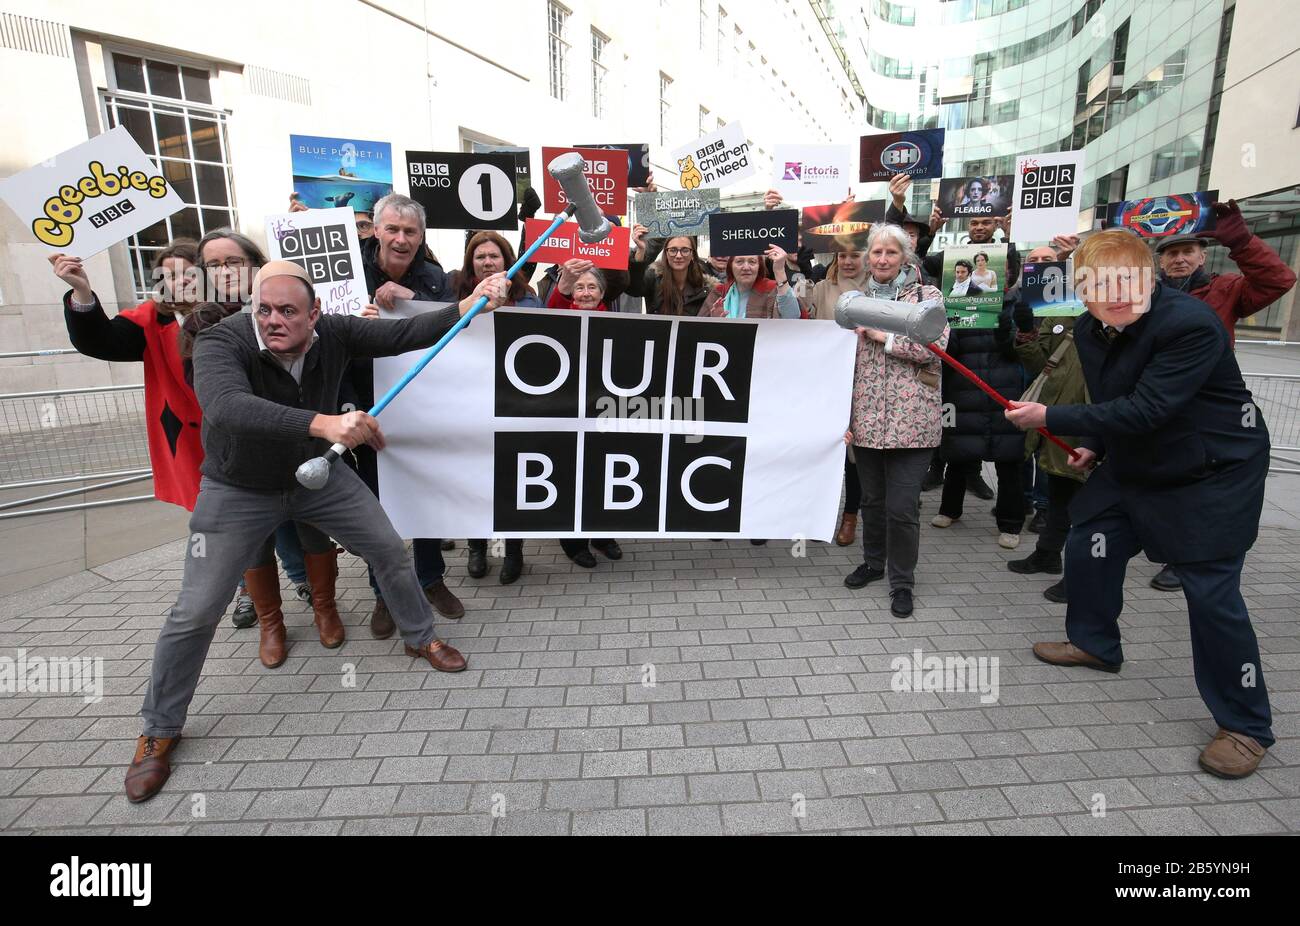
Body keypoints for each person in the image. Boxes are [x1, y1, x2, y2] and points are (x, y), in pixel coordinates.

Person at [124, 261, 490, 803]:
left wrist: (469, 303)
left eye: (288, 312)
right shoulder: (222, 340)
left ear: (315, 315)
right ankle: (159, 728)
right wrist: (324, 424)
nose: (272, 321)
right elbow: (226, 408)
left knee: (389, 549)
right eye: (263, 310)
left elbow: (404, 333)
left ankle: (420, 637)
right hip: (238, 487)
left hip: (320, 477)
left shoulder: (337, 331)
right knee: (196, 608)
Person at [1006, 228, 1274, 780]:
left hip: (1212, 473)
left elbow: (1149, 408)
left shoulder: (1190, 325)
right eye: (1103, 284)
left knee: (1212, 596)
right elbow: (1113, 401)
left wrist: (1052, 419)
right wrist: (1094, 443)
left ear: (1150, 277)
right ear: (1081, 289)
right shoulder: (1088, 329)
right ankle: (1095, 644)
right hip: (1137, 462)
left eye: (1130, 279)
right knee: (1088, 542)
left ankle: (1246, 725)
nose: (1119, 293)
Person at [1145, 199, 1297, 593]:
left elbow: (1278, 281)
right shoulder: (1148, 299)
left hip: (1205, 404)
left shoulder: (1226, 288)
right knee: (1166, 476)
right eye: (1171, 253)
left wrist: (1243, 242)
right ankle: (1167, 543)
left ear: (1202, 255)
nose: (1178, 259)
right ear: (1161, 262)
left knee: (1198, 481)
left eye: (1186, 252)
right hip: (1159, 402)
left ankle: (1186, 557)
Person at [345, 193, 467, 638]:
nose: (400, 239)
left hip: (417, 405)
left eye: (410, 232)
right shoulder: (346, 268)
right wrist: (357, 323)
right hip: (361, 404)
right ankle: (385, 592)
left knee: (424, 496)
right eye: (392, 229)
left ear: (421, 237)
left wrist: (411, 297)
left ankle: (430, 579)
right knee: (377, 508)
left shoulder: (433, 277)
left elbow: (448, 330)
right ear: (375, 230)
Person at [842, 224, 948, 618]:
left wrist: (881, 337)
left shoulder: (926, 297)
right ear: (868, 258)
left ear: (905, 257)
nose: (882, 259)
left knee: (902, 507)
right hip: (867, 418)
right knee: (872, 501)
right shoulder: (854, 300)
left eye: (890, 253)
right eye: (876, 253)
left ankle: (902, 582)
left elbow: (937, 346)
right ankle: (873, 562)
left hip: (912, 422)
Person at [450, 231, 541, 585]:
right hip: (470, 404)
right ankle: (477, 546)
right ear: (470, 262)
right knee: (474, 478)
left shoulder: (527, 299)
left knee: (509, 479)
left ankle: (511, 549)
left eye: (495, 256)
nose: (488, 262)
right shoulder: (456, 297)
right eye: (480, 257)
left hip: (512, 404)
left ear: (507, 260)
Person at [1006, 245, 1088, 603]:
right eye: (1034, 261)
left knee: (1088, 503)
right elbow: (1042, 363)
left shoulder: (1113, 310)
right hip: (1055, 412)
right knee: (1059, 490)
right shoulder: (1058, 305)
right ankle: (1048, 553)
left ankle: (1082, 576)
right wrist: (1025, 331)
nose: (1041, 266)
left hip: (1091, 417)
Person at [931, 248, 1027, 549]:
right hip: (963, 386)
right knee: (959, 451)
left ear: (1009, 271)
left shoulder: (1019, 303)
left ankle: (1011, 523)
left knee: (1009, 459)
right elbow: (948, 350)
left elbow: (1026, 353)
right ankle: (949, 509)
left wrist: (1009, 336)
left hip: (1005, 390)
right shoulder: (954, 299)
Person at [540, 263, 625, 564]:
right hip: (567, 410)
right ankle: (573, 542)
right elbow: (550, 315)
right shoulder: (560, 315)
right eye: (580, 287)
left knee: (601, 473)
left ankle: (602, 534)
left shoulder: (617, 324)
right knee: (570, 474)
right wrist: (566, 282)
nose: (586, 292)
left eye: (592, 287)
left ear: (603, 292)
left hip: (603, 413)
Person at [810, 241, 870, 545]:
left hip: (866, 380)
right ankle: (818, 515)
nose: (848, 261)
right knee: (826, 446)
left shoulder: (877, 288)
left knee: (854, 454)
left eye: (854, 255)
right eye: (842, 255)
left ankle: (850, 516)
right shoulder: (823, 287)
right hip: (829, 379)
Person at [628, 233, 717, 316]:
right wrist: (641, 250)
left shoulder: (706, 288)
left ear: (692, 255)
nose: (678, 256)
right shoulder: (654, 278)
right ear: (666, 254)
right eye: (673, 250)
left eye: (685, 250)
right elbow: (634, 289)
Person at [700, 246, 801, 319]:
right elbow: (698, 329)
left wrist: (779, 271)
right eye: (739, 261)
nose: (746, 267)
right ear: (730, 266)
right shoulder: (719, 292)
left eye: (752, 262)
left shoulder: (772, 290)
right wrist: (713, 323)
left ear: (759, 267)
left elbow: (792, 315)